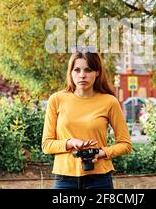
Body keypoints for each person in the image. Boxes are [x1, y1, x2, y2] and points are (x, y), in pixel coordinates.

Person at [41, 49, 132, 189]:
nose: (82, 75)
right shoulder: (56, 100)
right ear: (70, 73)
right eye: (77, 70)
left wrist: (101, 153)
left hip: (99, 179)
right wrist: (71, 143)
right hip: (64, 179)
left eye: (88, 70)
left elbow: (125, 145)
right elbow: (46, 145)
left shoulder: (109, 102)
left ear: (97, 72)